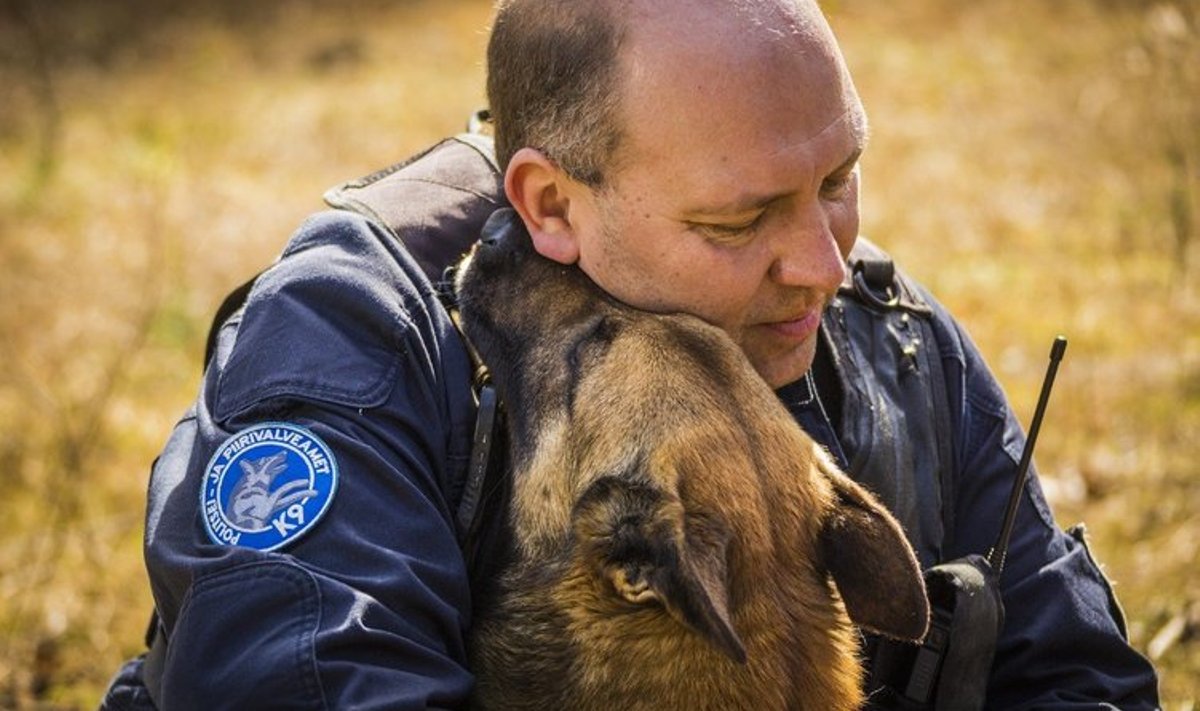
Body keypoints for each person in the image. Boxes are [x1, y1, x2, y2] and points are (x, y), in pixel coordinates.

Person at [101, 0, 1160, 708]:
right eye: (740, 220)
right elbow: (308, 677)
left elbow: (1077, 676)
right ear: (551, 205)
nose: (824, 265)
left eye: (837, 178)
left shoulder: (894, 343)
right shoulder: (356, 348)